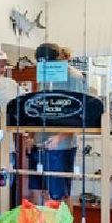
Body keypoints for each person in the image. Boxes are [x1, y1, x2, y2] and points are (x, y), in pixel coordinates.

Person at [29, 42, 94, 202]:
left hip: (61, 146)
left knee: (59, 195)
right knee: (39, 191)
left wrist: (59, 137)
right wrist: (31, 135)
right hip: (40, 142)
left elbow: (80, 114)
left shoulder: (74, 77)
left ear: (59, 58)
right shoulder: (44, 74)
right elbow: (37, 107)